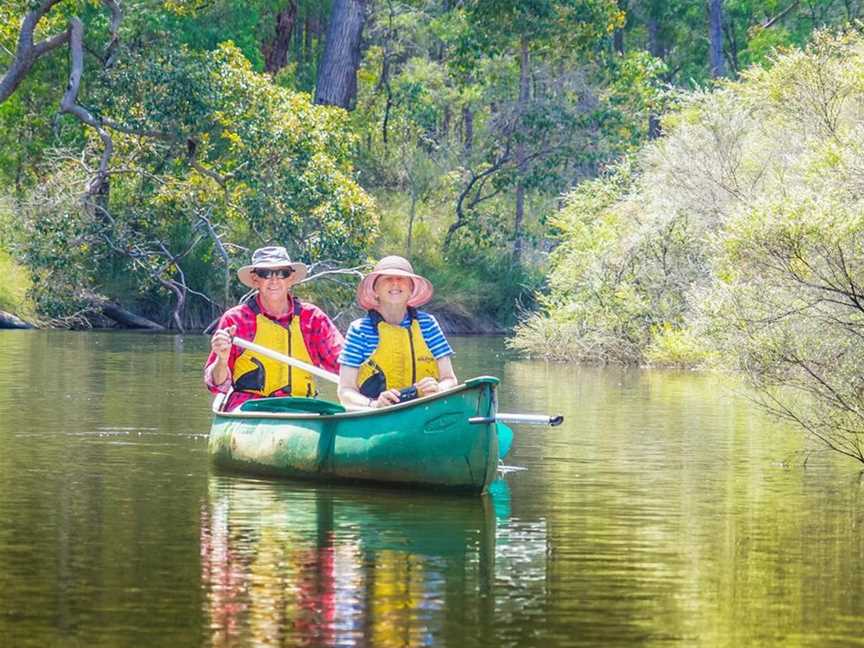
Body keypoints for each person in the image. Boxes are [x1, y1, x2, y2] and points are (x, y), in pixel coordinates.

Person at [205, 246, 343, 411]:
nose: (274, 280)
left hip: (302, 408)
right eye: (266, 274)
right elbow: (217, 385)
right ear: (255, 279)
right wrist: (221, 359)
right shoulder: (235, 320)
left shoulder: (313, 318)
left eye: (282, 273)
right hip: (250, 409)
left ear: (290, 278)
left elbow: (343, 363)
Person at [337, 255, 457, 409]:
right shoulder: (359, 330)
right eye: (387, 278)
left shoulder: (428, 324)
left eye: (401, 278)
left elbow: (450, 379)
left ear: (411, 289)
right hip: (377, 418)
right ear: (375, 289)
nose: (395, 283)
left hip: (424, 412)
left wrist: (439, 389)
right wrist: (374, 404)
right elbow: (345, 392)